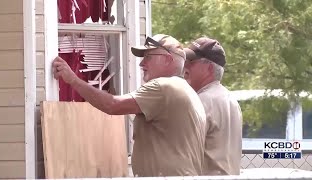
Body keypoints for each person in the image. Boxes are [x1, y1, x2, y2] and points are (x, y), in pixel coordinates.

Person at [52, 34, 207, 177]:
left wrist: (73, 80)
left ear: (167, 59)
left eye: (148, 57)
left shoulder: (163, 86)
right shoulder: (188, 91)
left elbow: (112, 105)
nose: (141, 63)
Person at [183, 37, 243, 175]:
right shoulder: (230, 99)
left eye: (191, 61)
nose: (185, 66)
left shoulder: (201, 101)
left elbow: (182, 150)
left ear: (209, 67)